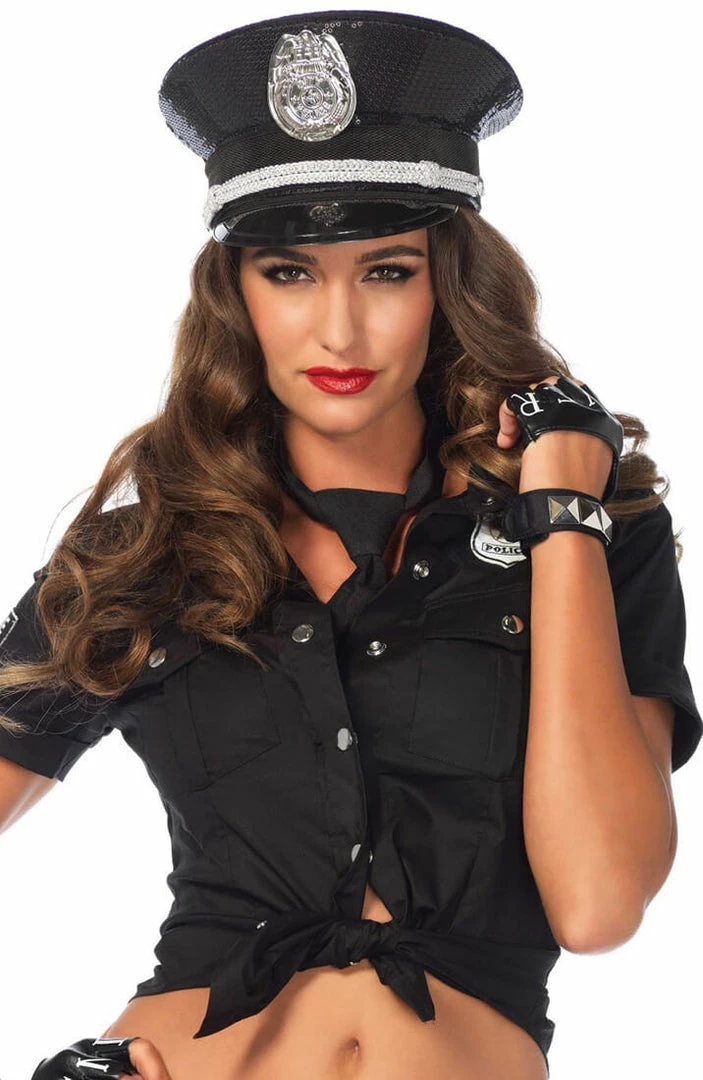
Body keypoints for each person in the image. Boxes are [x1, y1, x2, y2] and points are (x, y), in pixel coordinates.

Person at [1, 10, 701, 1080]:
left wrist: (561, 510)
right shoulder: (138, 559)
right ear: (235, 292)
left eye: (385, 271)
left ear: (446, 284)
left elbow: (600, 903)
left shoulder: (599, 536)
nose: (338, 330)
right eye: (289, 272)